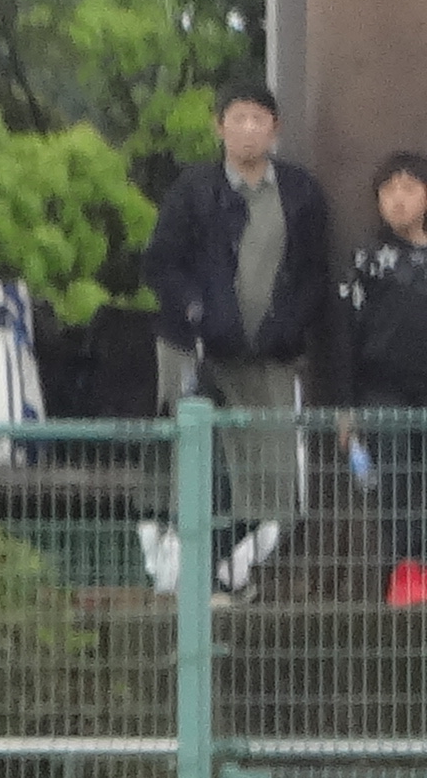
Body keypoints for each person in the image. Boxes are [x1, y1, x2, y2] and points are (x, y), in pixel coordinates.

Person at [148, 81, 334, 536]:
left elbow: (315, 272)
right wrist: (196, 309)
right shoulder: (193, 188)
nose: (249, 129)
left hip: (269, 352)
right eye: (238, 118)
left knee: (271, 468)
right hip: (192, 347)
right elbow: (162, 263)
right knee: (186, 456)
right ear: (220, 127)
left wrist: (289, 325)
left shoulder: (300, 191)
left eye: (258, 119)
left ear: (275, 128)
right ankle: (181, 551)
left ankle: (256, 553)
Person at [340, 152, 427, 599]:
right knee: (395, 485)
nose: (398, 199)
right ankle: (407, 574)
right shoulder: (367, 260)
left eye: (409, 188)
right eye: (389, 190)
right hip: (382, 390)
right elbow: (346, 337)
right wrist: (346, 408)